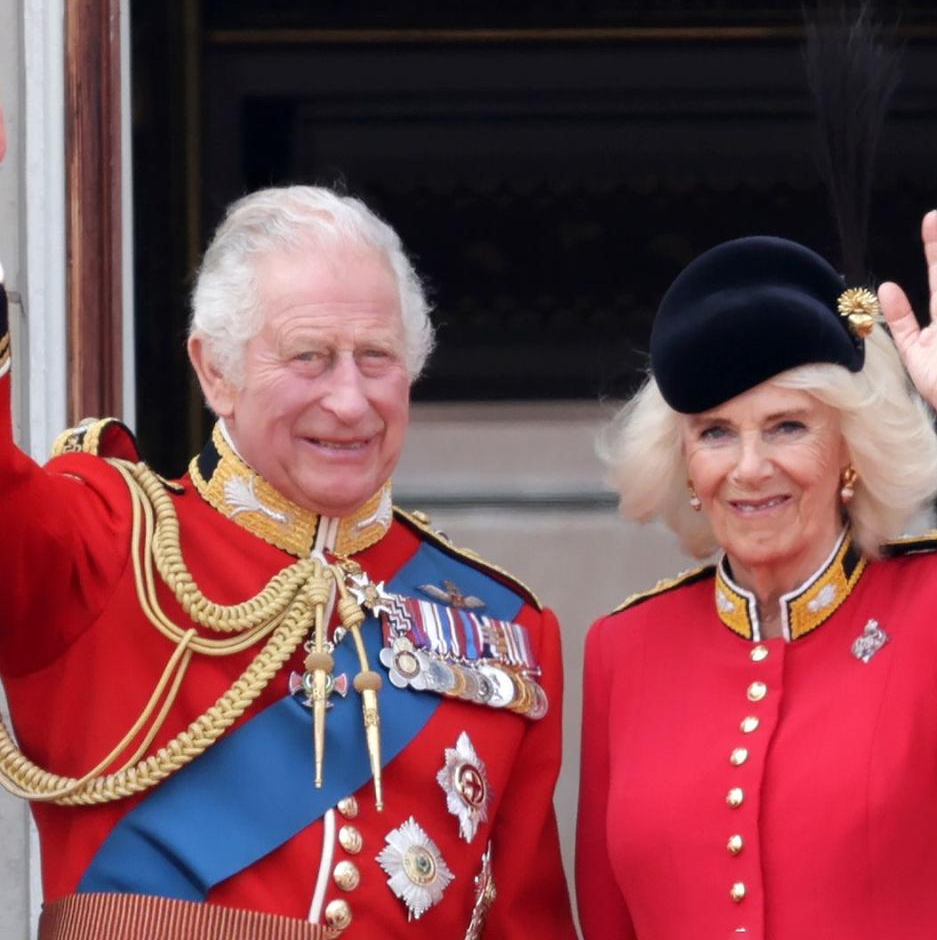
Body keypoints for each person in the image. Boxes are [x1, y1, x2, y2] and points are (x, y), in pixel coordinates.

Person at [0, 167, 576, 936]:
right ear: (215, 371)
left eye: (376, 357)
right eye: (309, 356)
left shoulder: (508, 633)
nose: (348, 400)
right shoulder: (105, 543)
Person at [576, 202, 937, 940]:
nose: (750, 468)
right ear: (684, 462)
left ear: (850, 448)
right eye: (715, 433)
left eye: (788, 426)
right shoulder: (624, 649)